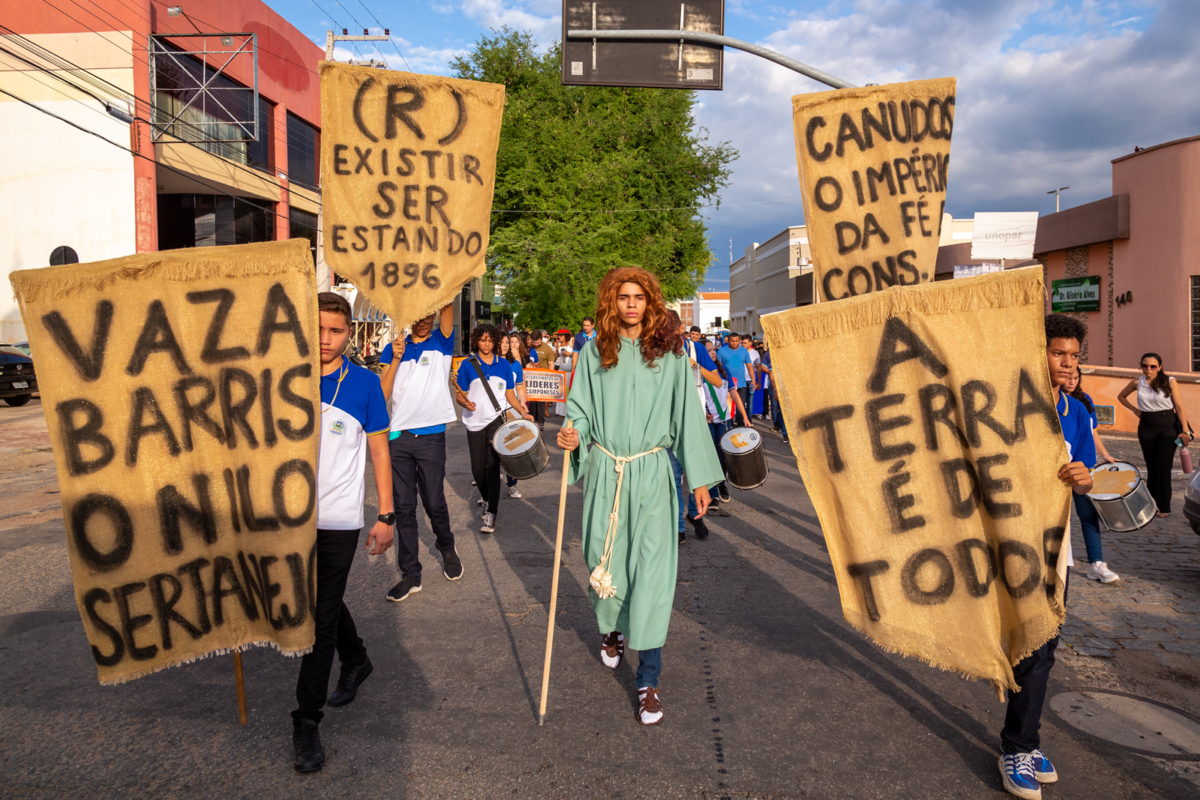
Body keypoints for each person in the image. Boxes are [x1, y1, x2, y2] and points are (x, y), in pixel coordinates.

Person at [557, 267, 722, 726]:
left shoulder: (670, 353)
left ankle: (648, 680)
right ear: (612, 302)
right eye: (623, 297)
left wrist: (700, 479)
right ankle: (612, 631)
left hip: (652, 475)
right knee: (602, 563)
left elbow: (688, 415)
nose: (631, 304)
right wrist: (574, 436)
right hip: (608, 473)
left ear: (650, 302)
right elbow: (580, 409)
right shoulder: (594, 353)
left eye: (639, 297)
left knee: (651, 575)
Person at [292, 293, 395, 773]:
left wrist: (386, 515)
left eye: (334, 331)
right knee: (320, 601)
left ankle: (305, 721)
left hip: (338, 520)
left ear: (348, 333)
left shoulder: (365, 385)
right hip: (287, 521)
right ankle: (356, 659)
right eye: (317, 329)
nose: (325, 340)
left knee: (317, 618)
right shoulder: (283, 378)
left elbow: (379, 453)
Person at [997, 313, 1095, 800]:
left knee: (1046, 645)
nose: (1068, 363)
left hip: (1057, 548)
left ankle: (1023, 741)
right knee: (1027, 645)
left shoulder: (1077, 411)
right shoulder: (1011, 405)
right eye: (1059, 353)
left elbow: (1090, 473)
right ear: (1040, 353)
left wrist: (1084, 476)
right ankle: (1018, 745)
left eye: (1074, 355)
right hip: (1008, 541)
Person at [379, 304, 462, 604]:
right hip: (399, 436)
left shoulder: (442, 340)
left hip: (430, 436)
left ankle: (446, 546)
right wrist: (398, 357)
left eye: (429, 315)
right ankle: (411, 575)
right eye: (419, 316)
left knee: (434, 501)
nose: (425, 321)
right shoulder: (393, 348)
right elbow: (383, 394)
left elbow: (448, 299)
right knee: (403, 507)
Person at [455, 324, 533, 533]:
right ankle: (488, 499)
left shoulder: (504, 365)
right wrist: (466, 403)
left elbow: (509, 395)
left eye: (490, 339)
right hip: (474, 422)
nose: (487, 343)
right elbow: (459, 395)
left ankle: (491, 513)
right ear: (476, 341)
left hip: (495, 421)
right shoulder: (467, 365)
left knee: (492, 468)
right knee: (477, 470)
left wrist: (523, 411)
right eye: (483, 339)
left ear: (495, 341)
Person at [1117, 352, 1193, 518]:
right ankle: (1151, 504)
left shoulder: (1169, 381)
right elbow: (1121, 396)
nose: (1148, 369)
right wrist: (1135, 410)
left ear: (1159, 367)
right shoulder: (1137, 382)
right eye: (1145, 365)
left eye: (1152, 366)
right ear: (1141, 366)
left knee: (1163, 465)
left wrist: (1185, 430)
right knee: (1151, 466)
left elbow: (1179, 407)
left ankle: (1164, 506)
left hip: (1168, 425)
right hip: (1146, 426)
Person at [1065, 366, 1119, 583]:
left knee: (1088, 514)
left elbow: (1092, 430)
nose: (1071, 381)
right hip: (1056, 469)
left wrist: (1105, 454)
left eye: (1075, 378)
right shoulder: (1049, 398)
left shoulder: (1084, 401)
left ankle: (1096, 563)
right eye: (1069, 377)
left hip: (1081, 466)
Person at [702, 353, 752, 508]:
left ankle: (721, 483)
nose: (711, 353)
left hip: (723, 420)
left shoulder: (724, 371)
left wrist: (745, 416)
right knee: (710, 457)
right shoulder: (699, 373)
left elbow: (734, 394)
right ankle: (713, 495)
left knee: (722, 456)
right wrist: (702, 412)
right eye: (707, 351)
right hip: (707, 421)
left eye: (713, 350)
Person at [500, 332, 528, 499]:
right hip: (494, 413)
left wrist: (522, 405)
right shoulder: (490, 364)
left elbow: (520, 387)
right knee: (493, 452)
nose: (505, 345)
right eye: (502, 342)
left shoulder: (515, 365)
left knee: (512, 450)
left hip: (512, 411)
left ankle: (512, 484)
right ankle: (488, 491)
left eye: (507, 343)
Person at [717, 332, 756, 414]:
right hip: (727, 384)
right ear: (728, 341)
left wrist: (753, 380)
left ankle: (741, 424)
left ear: (740, 341)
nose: (735, 343)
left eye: (737, 341)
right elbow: (718, 367)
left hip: (741, 384)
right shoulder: (721, 351)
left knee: (741, 406)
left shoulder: (744, 351)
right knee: (728, 407)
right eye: (732, 341)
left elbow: (749, 366)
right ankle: (729, 424)